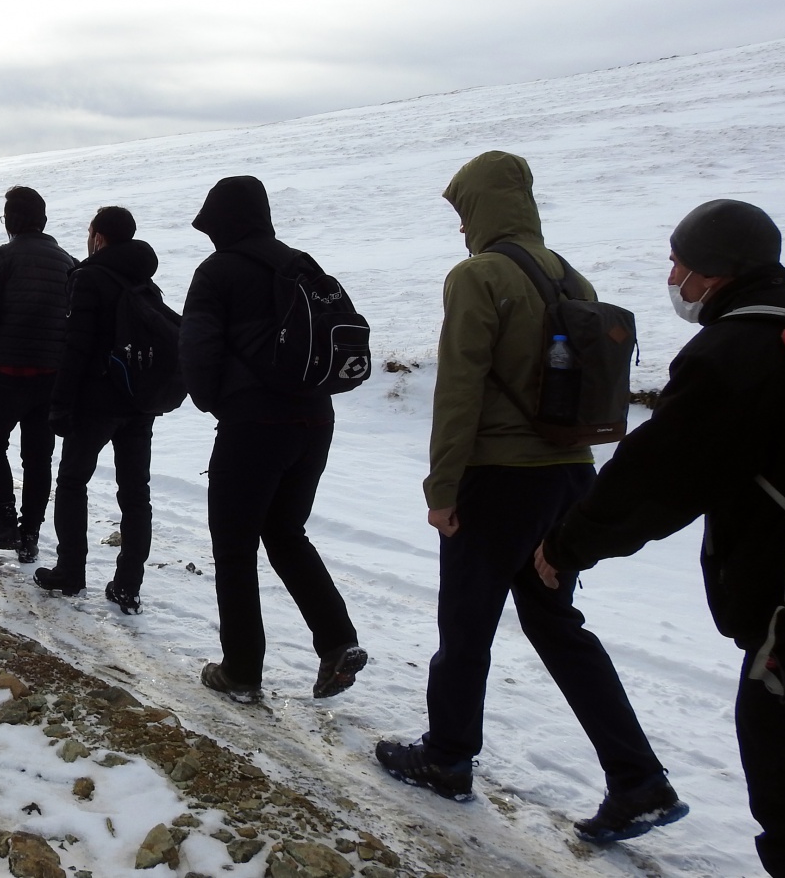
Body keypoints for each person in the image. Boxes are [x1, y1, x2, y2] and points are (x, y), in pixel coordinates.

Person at [537, 200, 785, 870]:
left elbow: (657, 477)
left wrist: (566, 546)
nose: (672, 274)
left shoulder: (733, 352)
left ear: (713, 270)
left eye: (678, 261)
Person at [374, 151, 682, 842]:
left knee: (466, 623)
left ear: (481, 208)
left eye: (463, 213)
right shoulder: (571, 274)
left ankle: (448, 756)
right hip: (569, 476)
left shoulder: (479, 275)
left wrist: (443, 486)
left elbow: (460, 389)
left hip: (498, 479)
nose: (460, 230)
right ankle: (639, 778)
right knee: (556, 624)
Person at [180, 175, 367, 701]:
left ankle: (241, 670)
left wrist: (222, 403)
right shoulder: (300, 263)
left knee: (234, 547)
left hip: (254, 428)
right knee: (286, 532)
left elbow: (197, 355)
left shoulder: (217, 272)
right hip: (315, 421)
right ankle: (337, 641)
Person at [33, 206, 158, 612]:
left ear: (99, 237)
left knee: (72, 483)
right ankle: (129, 585)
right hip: (139, 401)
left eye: (91, 232)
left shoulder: (89, 277)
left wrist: (59, 403)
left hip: (96, 402)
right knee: (135, 493)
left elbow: (77, 346)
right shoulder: (145, 279)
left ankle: (70, 571)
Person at [0, 186, 76, 562]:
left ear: (11, 221)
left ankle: (5, 524)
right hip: (50, 376)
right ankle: (29, 536)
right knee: (38, 458)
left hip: (5, 371)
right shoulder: (68, 261)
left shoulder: (1, 257)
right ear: (43, 220)